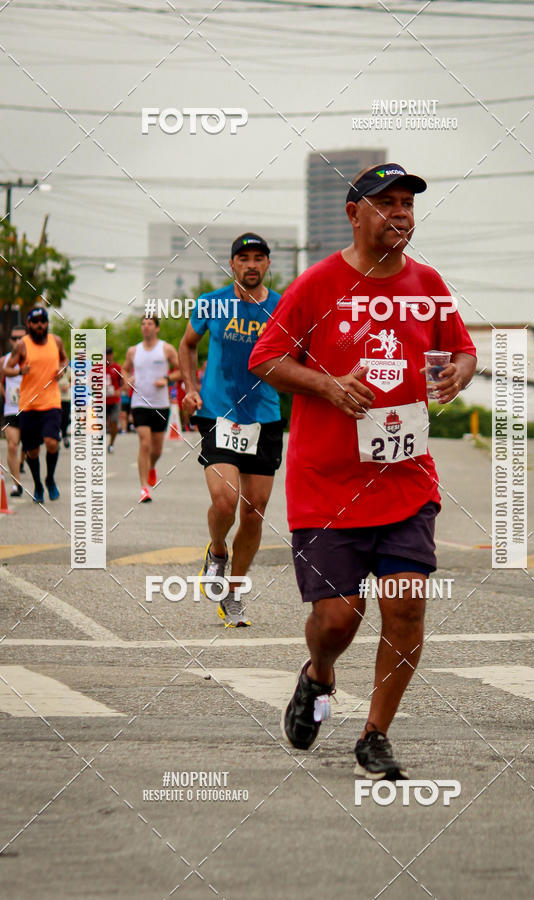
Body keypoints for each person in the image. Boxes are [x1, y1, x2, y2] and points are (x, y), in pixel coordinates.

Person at [250, 163, 477, 779]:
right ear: (355, 214)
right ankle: (318, 676)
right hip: (327, 485)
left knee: (405, 607)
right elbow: (265, 357)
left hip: (407, 477)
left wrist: (461, 369)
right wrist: (325, 384)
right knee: (337, 619)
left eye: (407, 204)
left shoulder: (428, 282)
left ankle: (375, 734)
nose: (401, 214)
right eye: (387, 204)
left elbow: (460, 347)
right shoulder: (318, 285)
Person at [179, 233, 283, 627]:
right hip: (219, 413)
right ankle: (218, 551)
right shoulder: (210, 303)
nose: (251, 264)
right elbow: (188, 344)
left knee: (254, 513)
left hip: (265, 417)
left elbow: (301, 354)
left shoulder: (282, 308)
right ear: (232, 264)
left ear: (268, 265)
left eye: (259, 258)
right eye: (244, 258)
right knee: (226, 500)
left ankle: (234, 595)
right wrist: (190, 387)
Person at [4, 307, 68, 503]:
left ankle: (49, 479)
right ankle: (38, 485)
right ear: (29, 324)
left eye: (43, 321)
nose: (40, 325)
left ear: (47, 323)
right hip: (29, 405)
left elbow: (65, 359)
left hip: (51, 403)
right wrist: (20, 371)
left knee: (51, 442)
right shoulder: (22, 345)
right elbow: (6, 369)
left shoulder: (55, 341)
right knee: (32, 451)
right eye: (36, 321)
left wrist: (61, 370)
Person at [122, 316, 179, 503]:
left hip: (160, 404)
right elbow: (124, 369)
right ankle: (143, 488)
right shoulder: (133, 351)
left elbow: (180, 369)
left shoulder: (166, 349)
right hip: (139, 403)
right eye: (143, 324)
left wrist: (167, 379)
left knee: (156, 449)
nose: (145, 327)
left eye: (149, 324)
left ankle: (152, 466)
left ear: (157, 328)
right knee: (144, 443)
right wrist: (127, 379)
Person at [1, 324, 26, 496]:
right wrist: (5, 395)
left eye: (21, 338)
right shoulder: (4, 360)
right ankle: (17, 485)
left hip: (31, 408)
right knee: (11, 446)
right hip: (11, 409)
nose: (18, 341)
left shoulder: (32, 359)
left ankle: (23, 461)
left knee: (31, 448)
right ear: (10, 341)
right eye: (15, 338)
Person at [105, 348, 122, 453]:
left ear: (112, 355)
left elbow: (124, 382)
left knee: (114, 421)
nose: (108, 356)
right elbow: (90, 381)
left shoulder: (117, 368)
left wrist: (118, 391)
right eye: (106, 354)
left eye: (109, 354)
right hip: (101, 400)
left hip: (115, 399)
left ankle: (111, 443)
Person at [58, 363, 71, 447]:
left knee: (65, 418)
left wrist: (68, 386)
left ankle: (64, 435)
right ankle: (57, 437)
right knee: (57, 418)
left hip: (65, 399)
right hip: (55, 399)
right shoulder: (51, 367)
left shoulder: (68, 370)